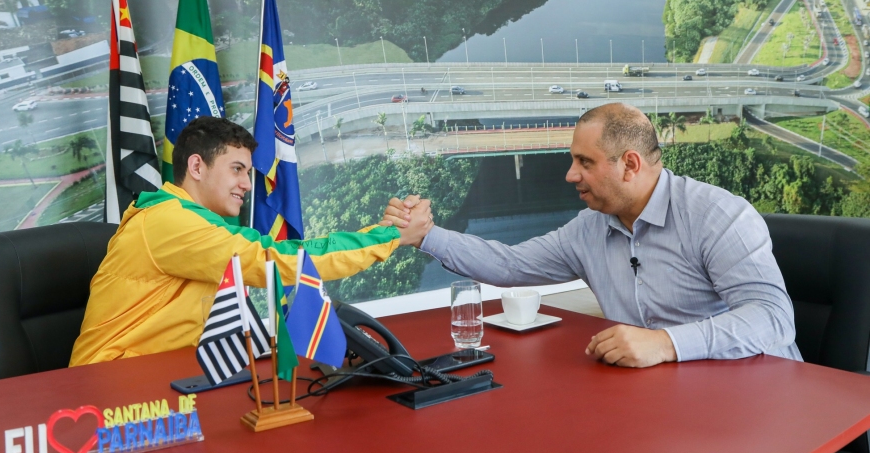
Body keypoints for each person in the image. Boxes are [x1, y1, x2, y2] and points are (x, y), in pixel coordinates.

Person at [383, 103, 802, 368]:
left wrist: (665, 343)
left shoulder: (717, 215)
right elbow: (509, 264)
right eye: (572, 160)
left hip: (758, 395)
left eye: (585, 162)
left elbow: (773, 320)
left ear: (630, 165)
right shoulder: (591, 227)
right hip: (665, 395)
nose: (570, 175)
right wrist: (427, 234)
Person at [71, 116, 418, 366]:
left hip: (161, 371)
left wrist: (388, 232)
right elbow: (279, 259)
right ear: (196, 167)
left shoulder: (186, 219)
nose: (247, 184)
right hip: (112, 386)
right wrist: (390, 236)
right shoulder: (169, 222)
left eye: (247, 173)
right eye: (236, 169)